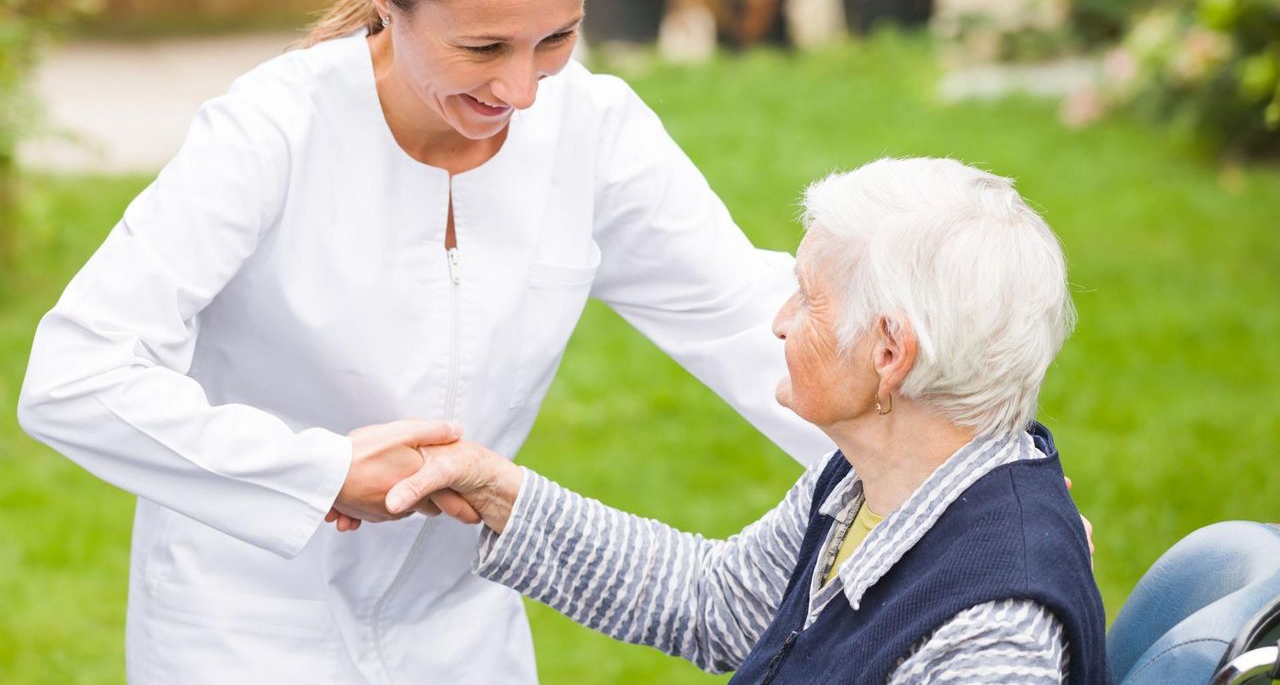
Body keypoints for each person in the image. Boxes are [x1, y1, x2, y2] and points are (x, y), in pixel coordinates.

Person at [16, 0, 827, 684]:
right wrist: (320, 472)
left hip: (461, 630)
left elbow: (752, 324)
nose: (519, 92)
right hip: (244, 628)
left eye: (556, 38)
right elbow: (76, 375)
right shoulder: (270, 133)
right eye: (483, 46)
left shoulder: (591, 129)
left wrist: (944, 475)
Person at [368, 158, 1113, 684]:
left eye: (807, 298)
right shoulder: (874, 482)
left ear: (889, 352)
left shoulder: (990, 626)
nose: (781, 322)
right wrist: (497, 491)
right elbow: (714, 603)